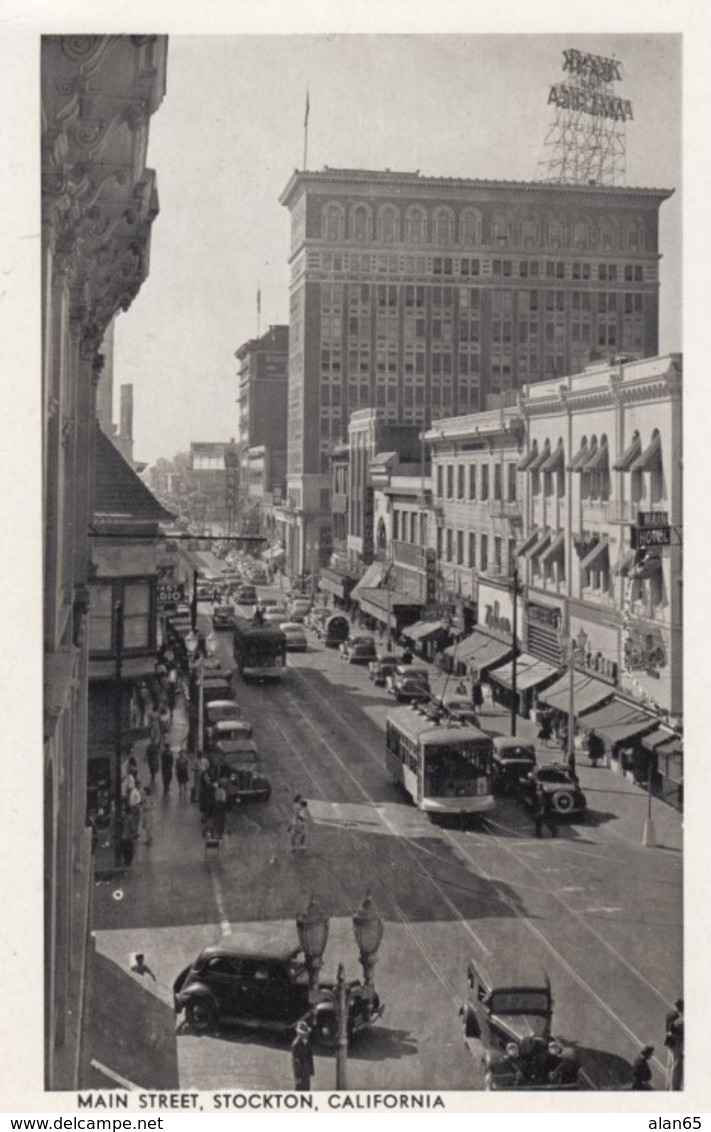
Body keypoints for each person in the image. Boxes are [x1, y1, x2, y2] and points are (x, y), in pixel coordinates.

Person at [665, 999, 684, 1090]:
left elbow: (668, 1030)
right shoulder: (675, 1017)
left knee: (670, 1066)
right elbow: (671, 1031)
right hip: (675, 1042)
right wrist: (680, 1036)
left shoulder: (670, 1014)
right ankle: (674, 1088)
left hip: (670, 1042)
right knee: (675, 1067)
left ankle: (668, 1086)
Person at [291, 1020, 314, 1091]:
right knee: (300, 1090)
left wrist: (311, 1070)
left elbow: (310, 1057)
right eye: (304, 1034)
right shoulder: (296, 1044)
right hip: (300, 1072)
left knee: (306, 1089)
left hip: (306, 1071)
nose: (306, 1035)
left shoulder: (307, 1043)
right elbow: (295, 1061)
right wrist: (297, 1076)